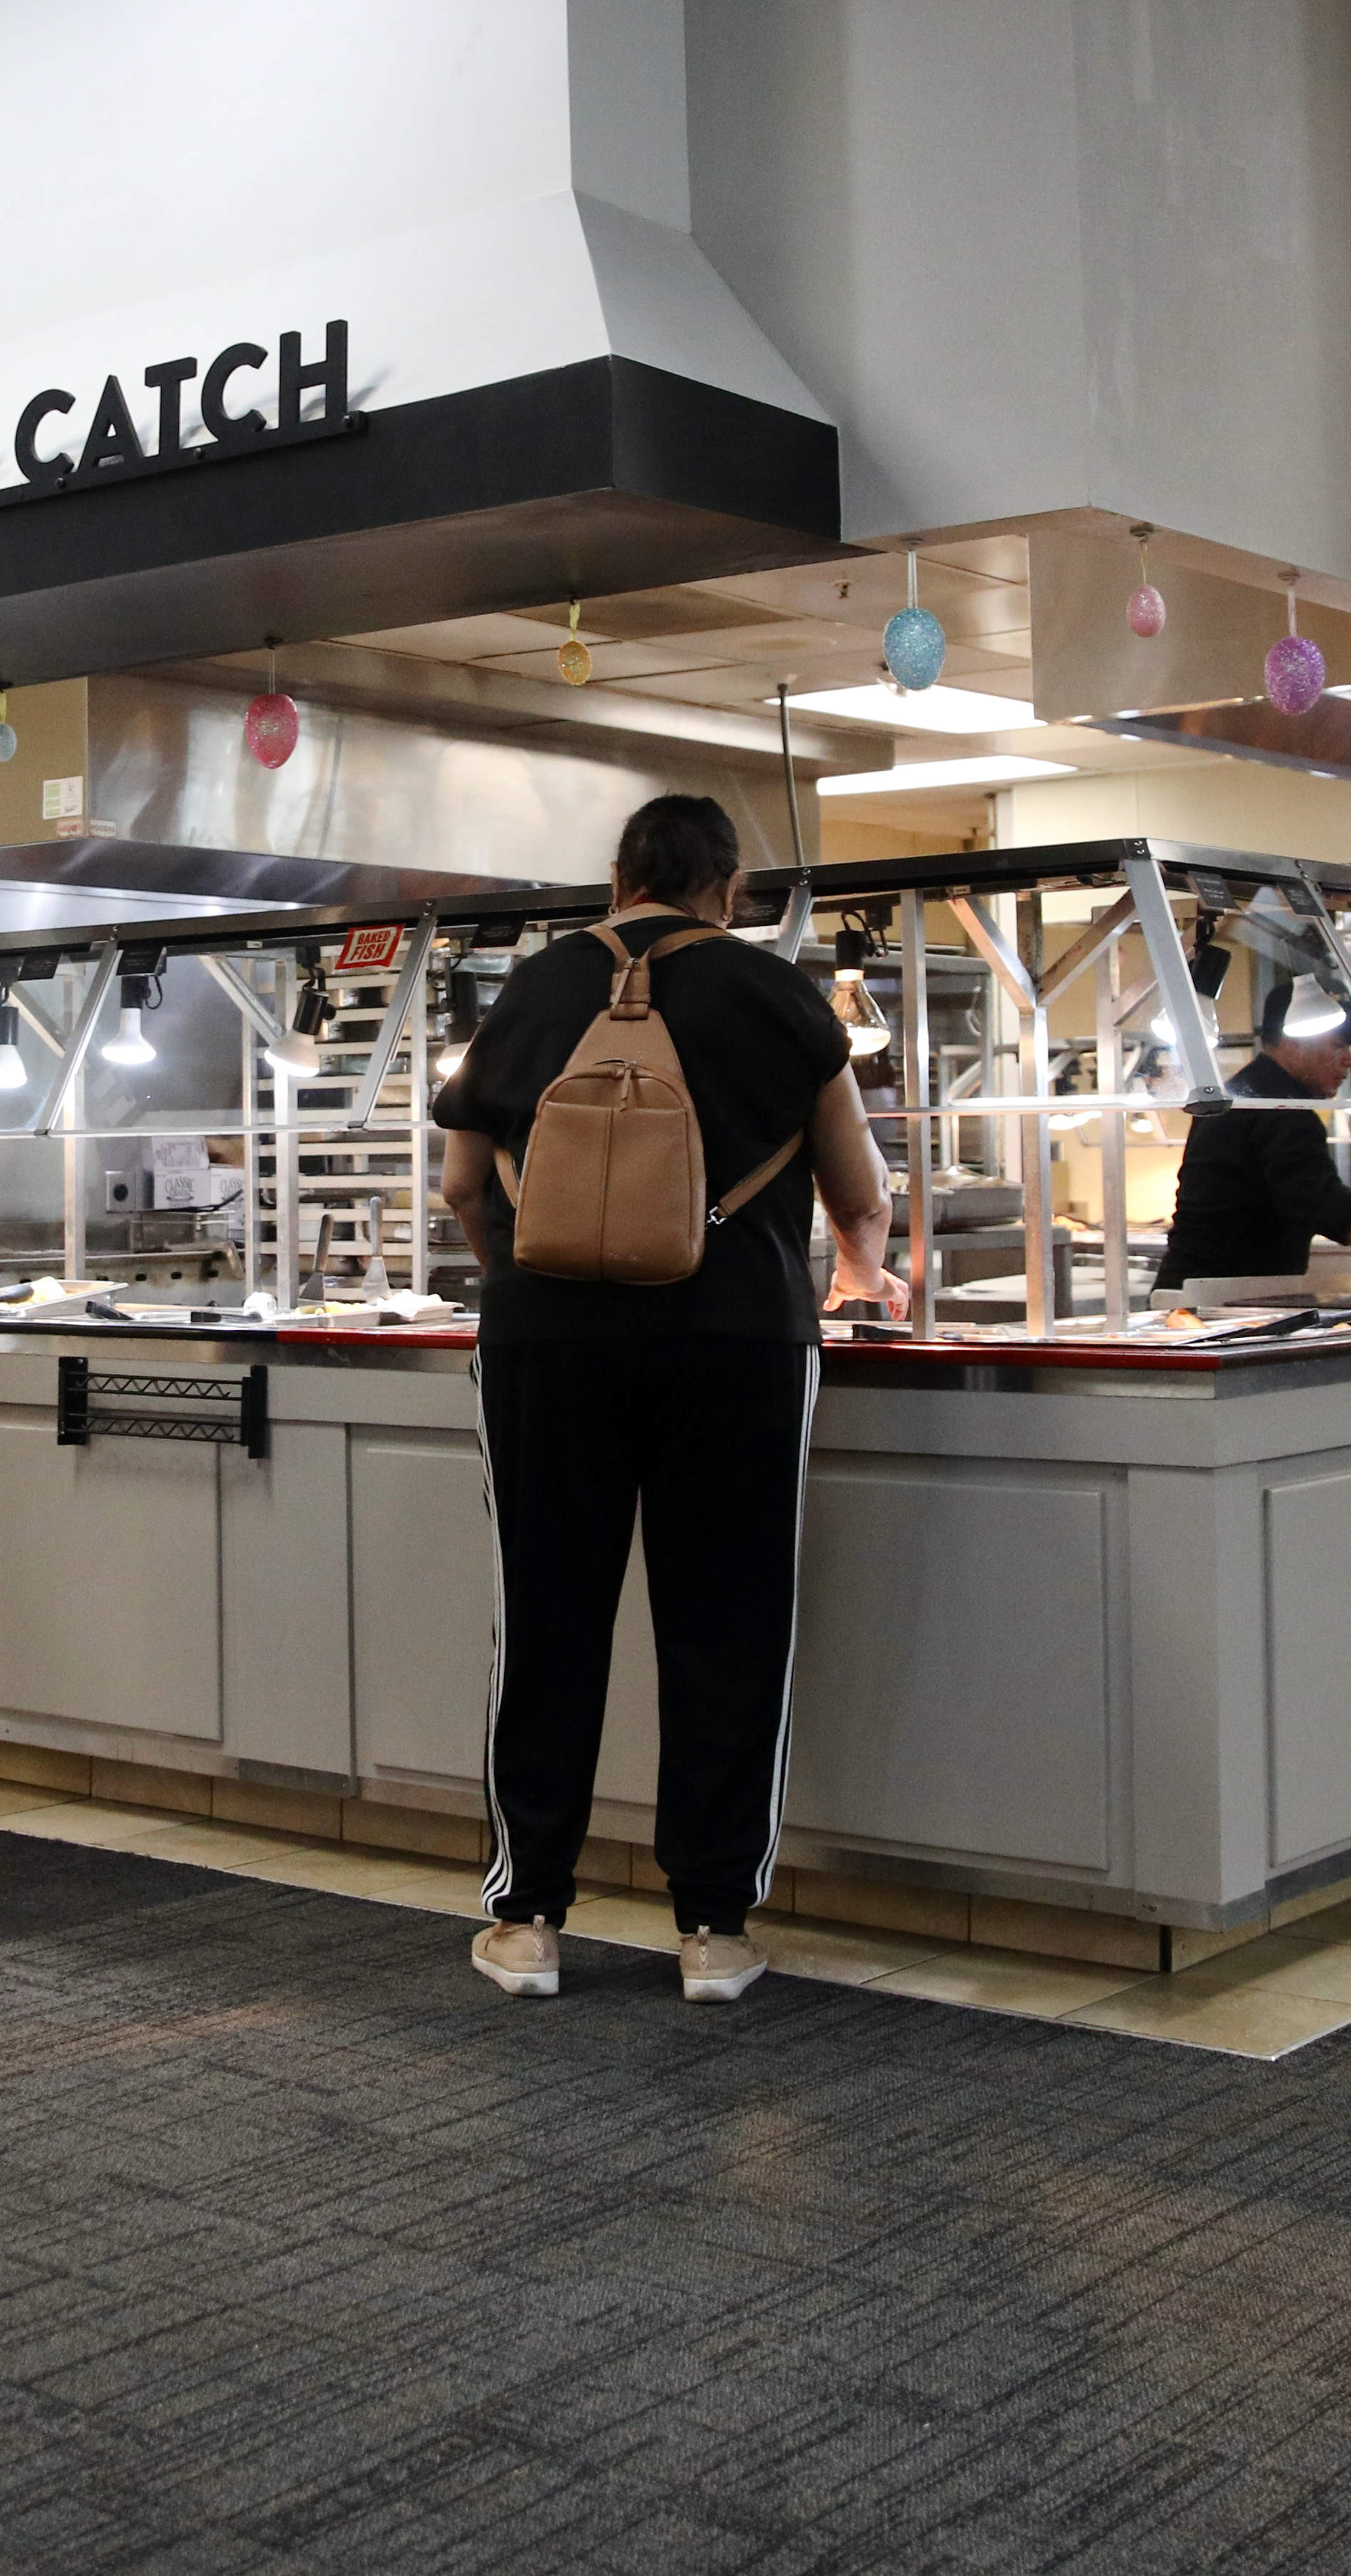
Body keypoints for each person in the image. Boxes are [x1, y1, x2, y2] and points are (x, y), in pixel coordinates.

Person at [427, 794, 902, 2008]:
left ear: (615, 877)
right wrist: (860, 1272)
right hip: (736, 1342)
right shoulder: (778, 996)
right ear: (726, 891)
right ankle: (711, 1930)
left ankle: (527, 1918)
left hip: (548, 1345)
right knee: (727, 1623)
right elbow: (857, 1196)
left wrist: (530, 1282)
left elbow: (461, 1187)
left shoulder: (533, 992)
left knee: (545, 1615)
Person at [1150, 975, 1351, 1292]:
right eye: (1339, 1045)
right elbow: (1330, 1211)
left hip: (1200, 1289)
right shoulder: (1279, 1112)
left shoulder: (1246, 1093)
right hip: (1214, 1299)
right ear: (1295, 1041)